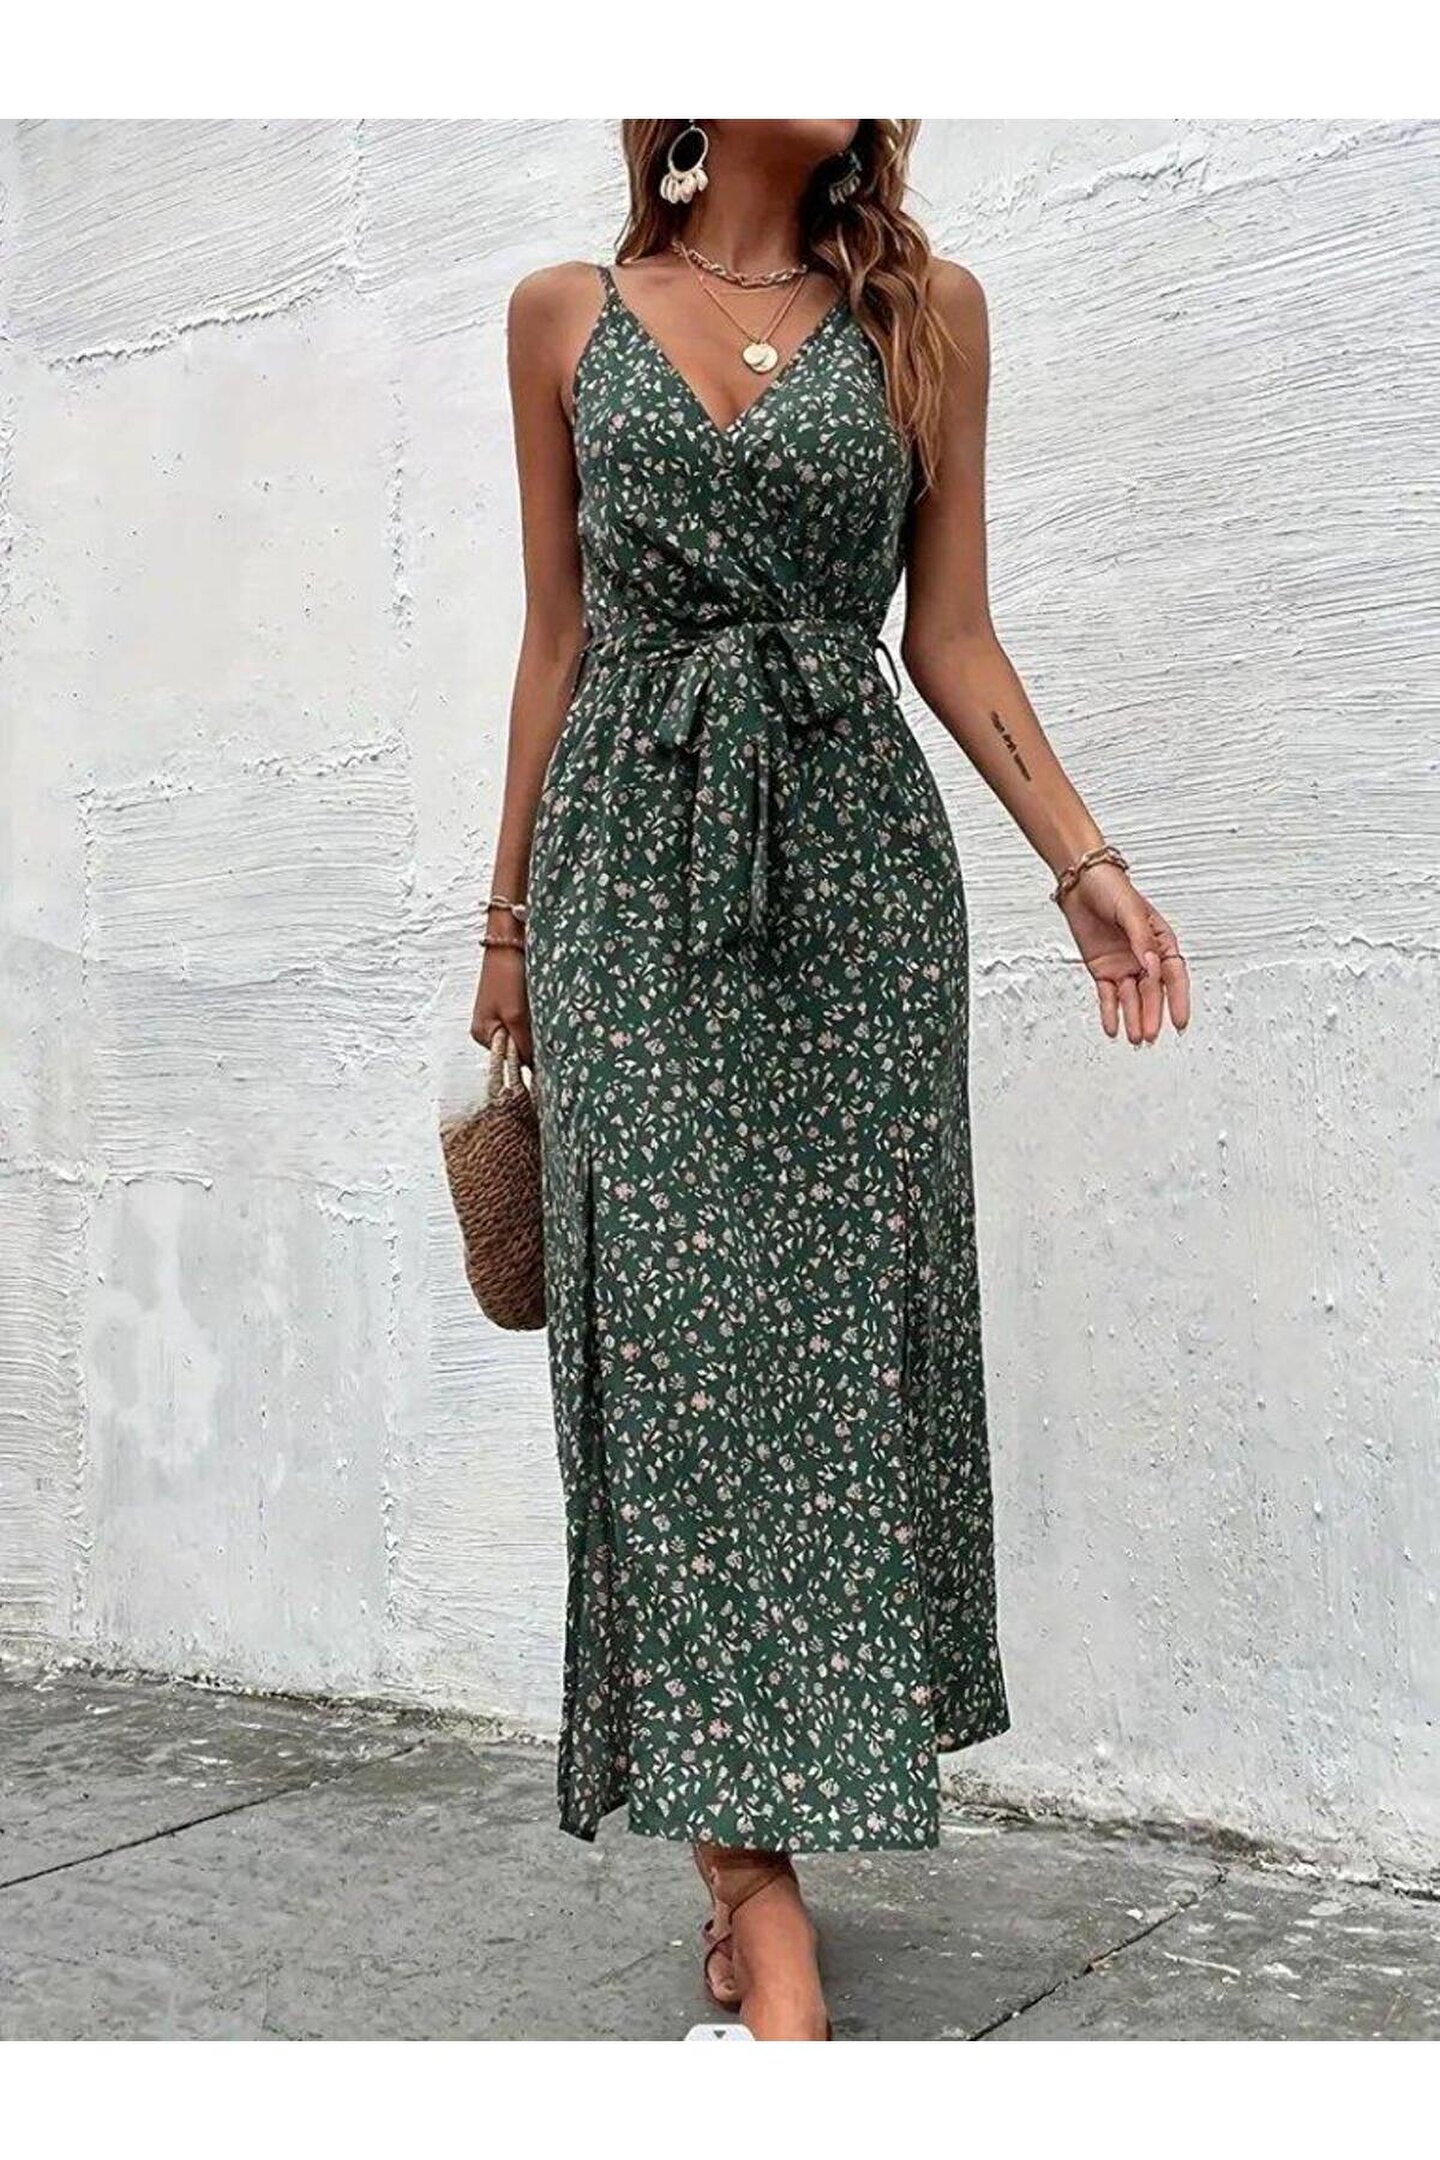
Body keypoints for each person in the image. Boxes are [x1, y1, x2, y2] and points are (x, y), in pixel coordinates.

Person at [471, 118, 1190, 2042]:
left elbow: (949, 634)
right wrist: (506, 922)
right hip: (629, 873)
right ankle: (746, 1877)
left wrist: (1083, 862)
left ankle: (768, 1839)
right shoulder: (561, 314)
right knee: (666, 1353)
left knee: (831, 1354)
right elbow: (557, 637)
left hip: (856, 888)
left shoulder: (927, 315)